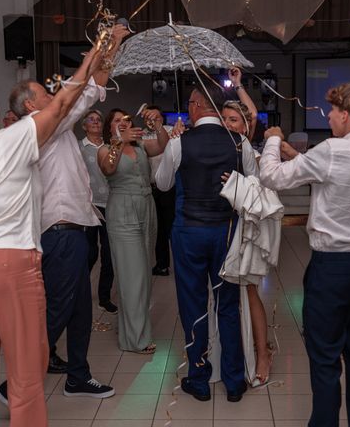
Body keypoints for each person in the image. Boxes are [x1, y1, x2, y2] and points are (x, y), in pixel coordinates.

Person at [0, 39, 104, 426]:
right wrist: (90, 58)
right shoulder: (11, 141)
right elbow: (60, 105)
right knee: (27, 365)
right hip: (5, 265)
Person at [0, 23, 129, 404]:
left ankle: (78, 375)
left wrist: (113, 45)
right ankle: (15, 384)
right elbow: (77, 90)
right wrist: (101, 45)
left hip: (75, 226)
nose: (54, 96)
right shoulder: (37, 128)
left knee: (78, 308)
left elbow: (92, 88)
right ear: (31, 106)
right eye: (44, 94)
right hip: (60, 230)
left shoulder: (48, 124)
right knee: (57, 307)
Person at [259, 82, 350, 427]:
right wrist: (294, 153)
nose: (328, 116)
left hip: (330, 268)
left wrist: (273, 139)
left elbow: (271, 177)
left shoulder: (332, 150)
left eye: (331, 111)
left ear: (346, 115)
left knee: (325, 358)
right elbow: (328, 173)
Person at [155, 83, 258, 403]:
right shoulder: (240, 143)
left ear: (197, 106)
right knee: (228, 305)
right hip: (227, 231)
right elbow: (252, 186)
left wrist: (175, 143)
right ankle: (234, 380)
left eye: (189, 103)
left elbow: (162, 183)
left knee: (193, 304)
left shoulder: (179, 143)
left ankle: (199, 377)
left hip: (189, 232)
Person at [97, 107, 169, 353]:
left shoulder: (140, 146)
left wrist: (158, 124)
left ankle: (132, 327)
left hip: (147, 207)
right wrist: (119, 142)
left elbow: (163, 146)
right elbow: (108, 168)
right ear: (110, 128)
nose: (122, 123)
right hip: (122, 210)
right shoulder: (105, 150)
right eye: (116, 121)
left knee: (144, 275)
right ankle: (134, 340)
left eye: (125, 119)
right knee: (132, 275)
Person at [221, 72, 272, 386]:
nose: (229, 124)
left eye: (234, 120)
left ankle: (262, 353)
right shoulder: (214, 146)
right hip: (219, 226)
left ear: (245, 126)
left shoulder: (246, 148)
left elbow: (253, 113)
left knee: (249, 291)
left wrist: (238, 84)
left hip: (246, 224)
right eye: (224, 119)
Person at [78, 109, 117, 314]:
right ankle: (79, 291)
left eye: (98, 119)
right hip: (89, 207)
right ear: (84, 125)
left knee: (109, 254)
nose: (95, 122)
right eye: (91, 120)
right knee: (88, 252)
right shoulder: (78, 148)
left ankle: (104, 297)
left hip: (111, 205)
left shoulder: (110, 147)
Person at [144, 105, 176, 277]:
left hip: (170, 187)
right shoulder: (140, 135)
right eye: (148, 118)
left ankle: (180, 262)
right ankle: (162, 265)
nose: (151, 121)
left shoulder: (171, 132)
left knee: (172, 227)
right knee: (158, 230)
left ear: (161, 119)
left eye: (154, 117)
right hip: (151, 187)